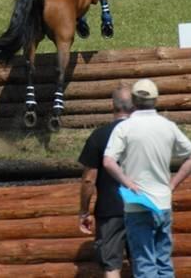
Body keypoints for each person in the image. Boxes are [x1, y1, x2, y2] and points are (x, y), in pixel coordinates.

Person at [103, 79, 191, 278]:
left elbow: (108, 162)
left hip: (137, 205)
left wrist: (128, 183)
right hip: (163, 203)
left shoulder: (125, 128)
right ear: (156, 100)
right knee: (163, 262)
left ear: (133, 100)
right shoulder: (168, 126)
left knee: (144, 263)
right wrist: (173, 184)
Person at [78, 87, 135, 277]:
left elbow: (88, 180)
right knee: (145, 264)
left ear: (113, 106)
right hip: (143, 206)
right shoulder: (145, 135)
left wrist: (84, 211)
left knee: (111, 267)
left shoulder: (99, 136)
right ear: (135, 105)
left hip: (110, 211)